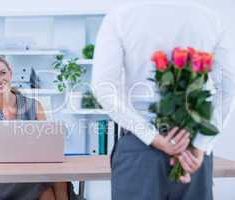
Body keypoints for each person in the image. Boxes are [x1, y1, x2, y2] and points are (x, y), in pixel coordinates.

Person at [92, 1, 235, 200]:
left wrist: (153, 137)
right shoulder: (211, 18)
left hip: (139, 151)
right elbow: (228, 88)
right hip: (192, 150)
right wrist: (201, 144)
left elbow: (103, 87)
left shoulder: (121, 16)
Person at [0, 55, 77, 200]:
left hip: (35, 170)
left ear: (10, 73)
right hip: (7, 176)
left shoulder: (34, 105)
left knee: (59, 180)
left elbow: (48, 144)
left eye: (2, 73)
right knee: (48, 193)